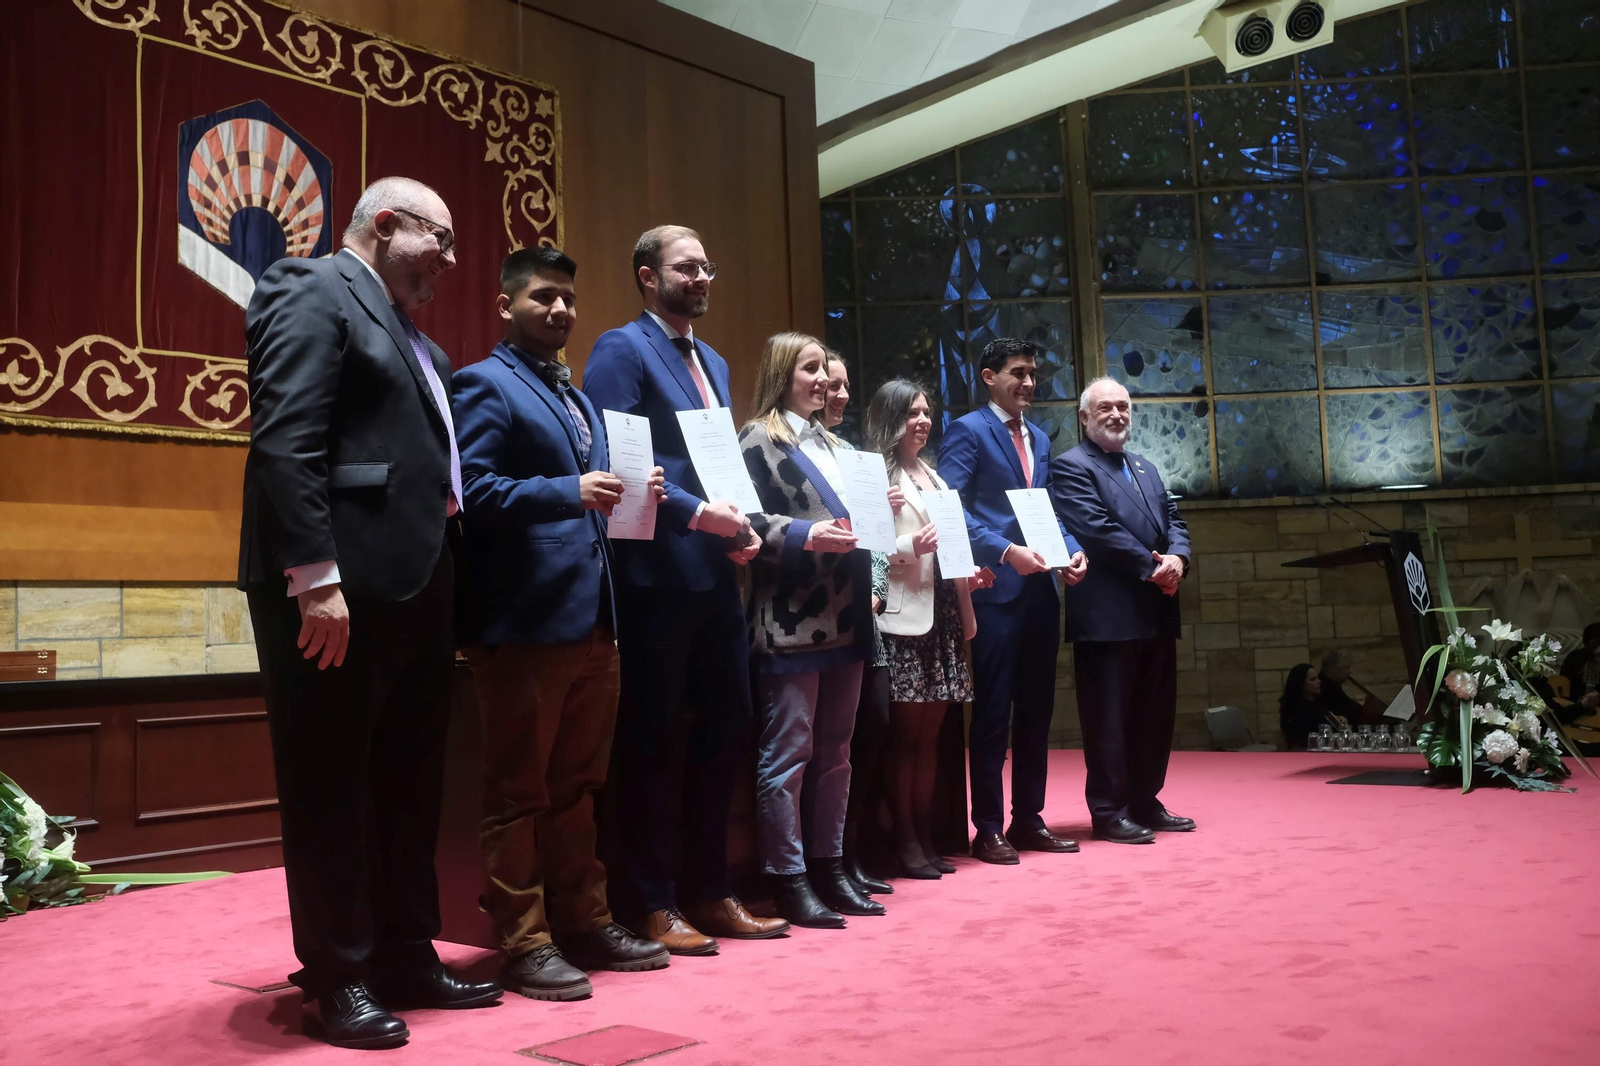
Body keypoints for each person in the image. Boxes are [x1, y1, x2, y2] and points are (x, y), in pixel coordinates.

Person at [238, 176, 500, 1050]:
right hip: (335, 592)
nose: (454, 264)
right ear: (386, 225)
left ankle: (403, 952)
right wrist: (315, 575)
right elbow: (287, 436)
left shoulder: (414, 335)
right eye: (443, 239)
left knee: (406, 787)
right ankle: (338, 973)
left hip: (418, 589)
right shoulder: (310, 287)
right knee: (330, 787)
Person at [453, 246, 673, 1001]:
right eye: (543, 297)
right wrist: (566, 488)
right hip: (523, 621)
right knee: (519, 791)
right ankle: (525, 941)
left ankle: (585, 919)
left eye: (569, 300)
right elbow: (471, 493)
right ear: (505, 304)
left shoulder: (577, 399)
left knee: (580, 786)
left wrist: (639, 490)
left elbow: (595, 499)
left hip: (593, 619)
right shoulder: (483, 383)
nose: (560, 311)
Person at [582, 225, 788, 954]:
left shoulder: (717, 363)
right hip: (654, 575)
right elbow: (616, 459)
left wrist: (744, 526)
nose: (701, 278)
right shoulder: (620, 349)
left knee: (726, 731)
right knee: (653, 741)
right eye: (685, 268)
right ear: (647, 277)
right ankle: (650, 901)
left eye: (708, 267)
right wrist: (699, 515)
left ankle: (712, 890)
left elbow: (716, 465)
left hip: (714, 575)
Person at [738, 334, 880, 928]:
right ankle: (787, 875)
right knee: (788, 753)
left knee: (837, 753)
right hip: (789, 617)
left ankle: (830, 864)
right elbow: (743, 519)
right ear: (782, 373)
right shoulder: (757, 439)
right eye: (811, 368)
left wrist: (882, 510)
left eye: (827, 369)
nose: (824, 380)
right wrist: (806, 535)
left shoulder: (840, 446)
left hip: (847, 613)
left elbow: (861, 521)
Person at [940, 338, 1088, 865]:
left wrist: (1071, 552)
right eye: (1017, 372)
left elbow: (1042, 510)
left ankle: (1028, 819)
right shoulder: (968, 430)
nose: (1028, 382)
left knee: (1037, 711)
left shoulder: (1041, 439)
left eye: (1032, 373)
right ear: (988, 377)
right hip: (997, 591)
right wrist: (1004, 550)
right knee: (992, 714)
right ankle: (986, 827)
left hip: (1041, 592)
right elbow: (949, 507)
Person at [1051, 376, 1194, 845]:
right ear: (1084, 418)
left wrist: (1179, 559)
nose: (1117, 415)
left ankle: (1145, 800)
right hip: (1107, 617)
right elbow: (1094, 528)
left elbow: (1174, 519)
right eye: (1106, 408)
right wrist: (1151, 568)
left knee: (1154, 714)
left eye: (1124, 407)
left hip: (1156, 610)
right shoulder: (1071, 467)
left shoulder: (1145, 467)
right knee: (1108, 718)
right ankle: (1110, 810)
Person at [867, 379, 979, 879]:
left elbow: (948, 542)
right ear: (891, 417)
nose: (923, 420)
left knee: (931, 736)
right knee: (906, 737)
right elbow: (868, 550)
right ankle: (903, 839)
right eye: (913, 412)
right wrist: (915, 546)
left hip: (945, 612)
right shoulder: (876, 476)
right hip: (902, 616)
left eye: (927, 412)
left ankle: (925, 833)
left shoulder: (931, 475)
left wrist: (969, 568)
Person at [822, 355, 894, 899]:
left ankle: (854, 853)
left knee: (870, 733)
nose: (842, 395)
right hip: (823, 617)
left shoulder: (852, 454)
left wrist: (876, 589)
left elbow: (875, 540)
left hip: (867, 616)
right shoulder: (790, 449)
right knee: (828, 743)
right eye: (833, 384)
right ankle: (829, 860)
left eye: (848, 385)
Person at [1278, 664, 1325, 751]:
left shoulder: (1318, 703)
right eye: (1312, 679)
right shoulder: (1295, 709)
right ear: (1300, 683)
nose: (1319, 681)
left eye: (1317, 678)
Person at [1315, 649, 1362, 728]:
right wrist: (1360, 705)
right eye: (1346, 668)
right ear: (1333, 668)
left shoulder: (1332, 684)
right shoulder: (1327, 686)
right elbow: (1344, 710)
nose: (1350, 672)